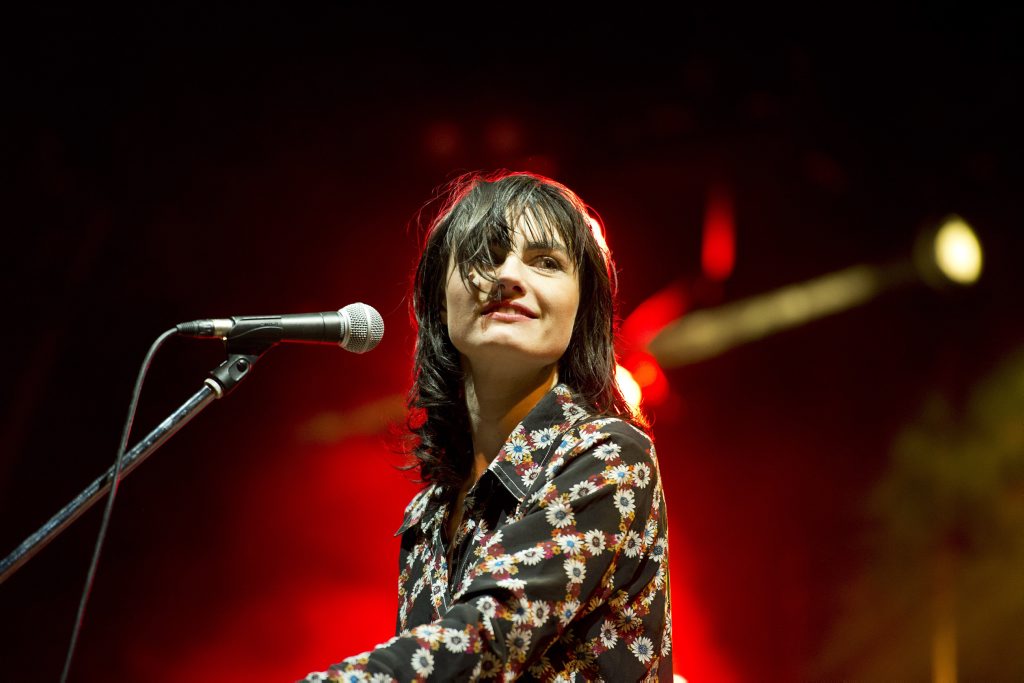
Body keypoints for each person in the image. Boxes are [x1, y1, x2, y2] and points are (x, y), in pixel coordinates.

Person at [300, 171, 672, 681]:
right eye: (485, 255)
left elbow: (486, 638)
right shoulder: (428, 511)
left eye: (546, 262)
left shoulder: (609, 454)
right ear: (438, 298)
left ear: (582, 307)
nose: (509, 275)